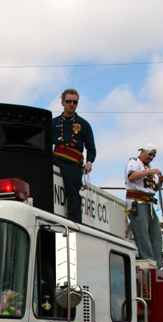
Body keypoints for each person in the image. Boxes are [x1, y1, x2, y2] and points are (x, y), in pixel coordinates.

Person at [52, 89, 96, 224]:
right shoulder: (53, 122)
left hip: (73, 162)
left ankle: (75, 225)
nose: (71, 104)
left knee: (73, 194)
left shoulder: (84, 124)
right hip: (56, 158)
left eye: (74, 102)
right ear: (62, 103)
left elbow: (91, 147)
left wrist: (89, 162)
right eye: (68, 101)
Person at [125, 143, 163, 267]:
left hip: (149, 205)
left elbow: (152, 188)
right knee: (142, 234)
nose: (152, 157)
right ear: (142, 151)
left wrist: (160, 183)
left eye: (154, 155)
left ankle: (158, 263)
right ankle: (148, 261)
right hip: (137, 203)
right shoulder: (134, 162)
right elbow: (131, 176)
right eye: (150, 154)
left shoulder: (149, 168)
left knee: (156, 236)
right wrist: (151, 172)